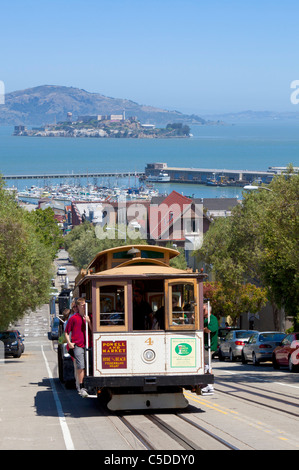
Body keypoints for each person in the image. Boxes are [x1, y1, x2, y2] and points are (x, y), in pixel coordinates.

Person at [64, 297, 92, 397]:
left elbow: (94, 331)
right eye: (82, 305)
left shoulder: (90, 316)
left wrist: (88, 322)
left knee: (90, 365)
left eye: (85, 305)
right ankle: (81, 386)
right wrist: (69, 343)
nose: (84, 307)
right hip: (78, 345)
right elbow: (66, 332)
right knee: (81, 366)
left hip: (89, 345)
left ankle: (88, 384)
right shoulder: (73, 318)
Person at [201, 302, 218, 396]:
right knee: (205, 364)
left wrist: (202, 329)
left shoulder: (213, 319)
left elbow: (209, 329)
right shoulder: (204, 319)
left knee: (206, 364)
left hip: (209, 345)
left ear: (208, 310)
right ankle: (206, 384)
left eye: (203, 310)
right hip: (204, 345)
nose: (202, 312)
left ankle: (209, 385)